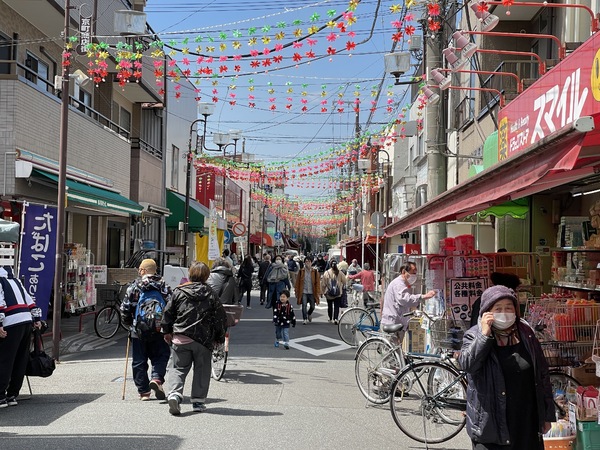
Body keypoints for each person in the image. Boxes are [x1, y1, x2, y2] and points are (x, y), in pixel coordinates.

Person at [459, 285, 554, 449]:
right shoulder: (475, 334)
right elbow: (468, 365)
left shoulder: (526, 333)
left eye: (509, 308)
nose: (504, 312)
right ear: (487, 311)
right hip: (491, 426)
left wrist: (546, 415)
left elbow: (542, 374)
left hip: (526, 422)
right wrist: (484, 335)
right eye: (498, 308)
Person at [161, 262, 227, 415]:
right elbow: (220, 318)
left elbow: (168, 312)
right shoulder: (211, 294)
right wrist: (219, 337)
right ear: (206, 276)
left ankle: (175, 395)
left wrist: (167, 331)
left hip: (181, 336)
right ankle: (198, 401)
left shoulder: (179, 291)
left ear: (190, 274)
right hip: (203, 339)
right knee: (202, 370)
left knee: (177, 368)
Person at [120, 259, 172, 401]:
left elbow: (125, 308)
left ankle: (144, 392)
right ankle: (156, 378)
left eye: (140, 269)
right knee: (161, 355)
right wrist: (169, 328)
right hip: (159, 328)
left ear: (143, 270)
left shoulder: (135, 286)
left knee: (139, 361)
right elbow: (171, 307)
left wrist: (130, 324)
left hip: (139, 329)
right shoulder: (164, 286)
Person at [0, 266, 42, 408]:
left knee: (5, 359)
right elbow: (30, 301)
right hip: (26, 321)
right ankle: (12, 395)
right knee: (20, 359)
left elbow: (0, 304)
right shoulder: (16, 281)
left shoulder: (0, 282)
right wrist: (37, 319)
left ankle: (0, 396)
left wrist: (0, 324)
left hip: (10, 323)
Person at [380, 262, 436, 344]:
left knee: (397, 352)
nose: (414, 275)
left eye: (415, 273)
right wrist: (423, 296)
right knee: (392, 353)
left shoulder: (403, 284)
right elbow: (404, 299)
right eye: (413, 272)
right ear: (403, 272)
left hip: (397, 322)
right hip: (392, 322)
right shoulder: (398, 284)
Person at [294, 255, 321, 324]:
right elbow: (297, 282)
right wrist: (296, 291)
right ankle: (305, 319)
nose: (307, 263)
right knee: (304, 305)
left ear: (311, 262)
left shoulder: (315, 272)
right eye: (306, 261)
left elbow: (317, 283)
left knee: (312, 306)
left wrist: (318, 292)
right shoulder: (301, 271)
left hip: (312, 292)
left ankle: (309, 314)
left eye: (309, 261)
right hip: (303, 291)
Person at [320, 260, 347, 324]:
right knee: (336, 306)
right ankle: (335, 318)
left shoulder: (327, 273)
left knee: (330, 306)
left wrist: (322, 292)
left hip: (329, 293)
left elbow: (323, 284)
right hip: (338, 293)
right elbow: (345, 281)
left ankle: (330, 318)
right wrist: (340, 284)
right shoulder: (340, 273)